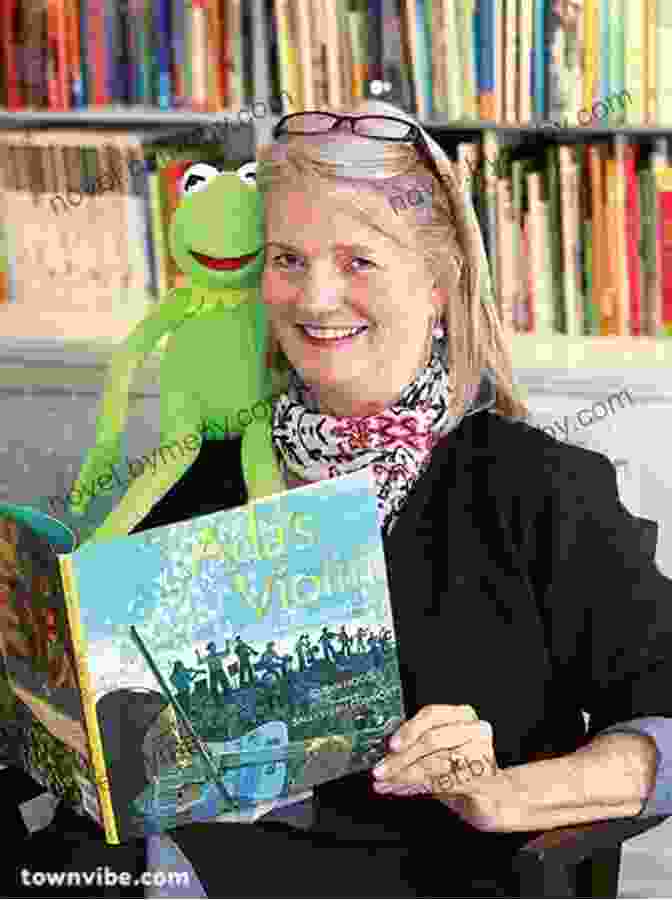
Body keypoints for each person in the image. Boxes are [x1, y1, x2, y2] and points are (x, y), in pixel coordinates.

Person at [89, 98, 672, 898]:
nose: (314, 299)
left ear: (439, 284)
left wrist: (503, 794)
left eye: (357, 262)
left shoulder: (539, 488)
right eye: (288, 260)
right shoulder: (203, 476)